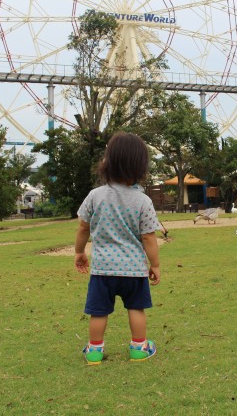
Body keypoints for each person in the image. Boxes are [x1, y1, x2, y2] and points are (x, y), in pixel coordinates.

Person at [74, 132, 162, 365]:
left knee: (99, 311)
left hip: (103, 269)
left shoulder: (95, 196)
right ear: (140, 166)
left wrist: (79, 252)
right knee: (136, 308)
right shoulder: (143, 201)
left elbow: (83, 227)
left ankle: (94, 351)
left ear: (107, 162)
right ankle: (138, 348)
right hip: (133, 269)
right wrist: (155, 264)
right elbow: (149, 238)